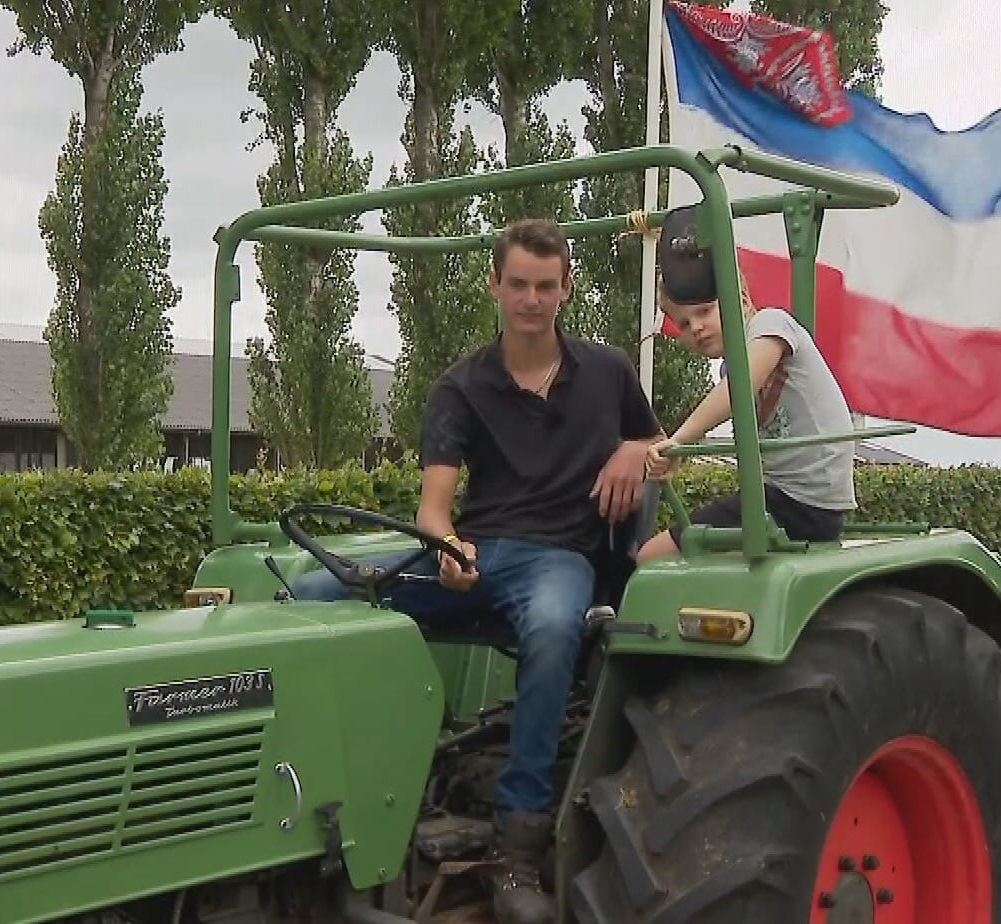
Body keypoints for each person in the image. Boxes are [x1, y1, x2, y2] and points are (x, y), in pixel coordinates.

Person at [287, 217, 663, 924]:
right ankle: (338, 786)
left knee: (555, 627)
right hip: (477, 551)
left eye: (545, 286)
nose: (530, 299)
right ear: (495, 285)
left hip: (561, 558)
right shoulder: (460, 387)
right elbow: (433, 510)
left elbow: (657, 440)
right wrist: (450, 549)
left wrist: (634, 452)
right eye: (518, 284)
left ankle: (519, 841)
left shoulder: (608, 372)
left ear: (566, 289)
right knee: (313, 591)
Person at [638, 203, 856, 561]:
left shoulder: (772, 326)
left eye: (705, 312)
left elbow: (738, 389)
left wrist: (679, 440)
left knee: (651, 558)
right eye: (683, 323)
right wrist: (680, 455)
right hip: (784, 501)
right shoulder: (732, 367)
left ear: (739, 297)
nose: (696, 328)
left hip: (799, 504)